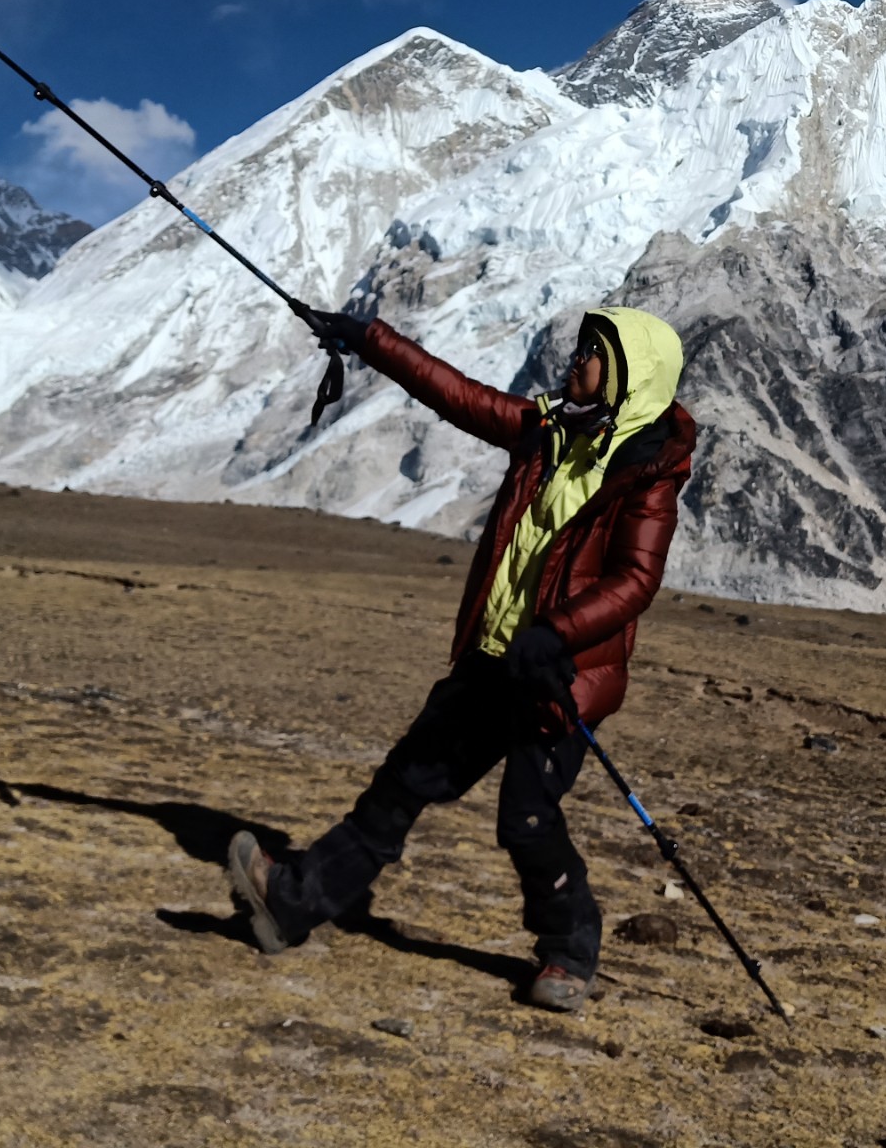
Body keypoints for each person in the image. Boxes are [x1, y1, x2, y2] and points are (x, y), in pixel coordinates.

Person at [226, 305, 697, 1013]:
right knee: (403, 783)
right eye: (579, 349)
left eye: (594, 354)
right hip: (494, 657)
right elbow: (455, 393)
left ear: (631, 376)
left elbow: (635, 580)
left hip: (560, 677)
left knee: (526, 821)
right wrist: (369, 340)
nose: (577, 361)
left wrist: (559, 634)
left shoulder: (647, 471)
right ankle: (293, 902)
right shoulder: (546, 430)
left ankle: (570, 950)